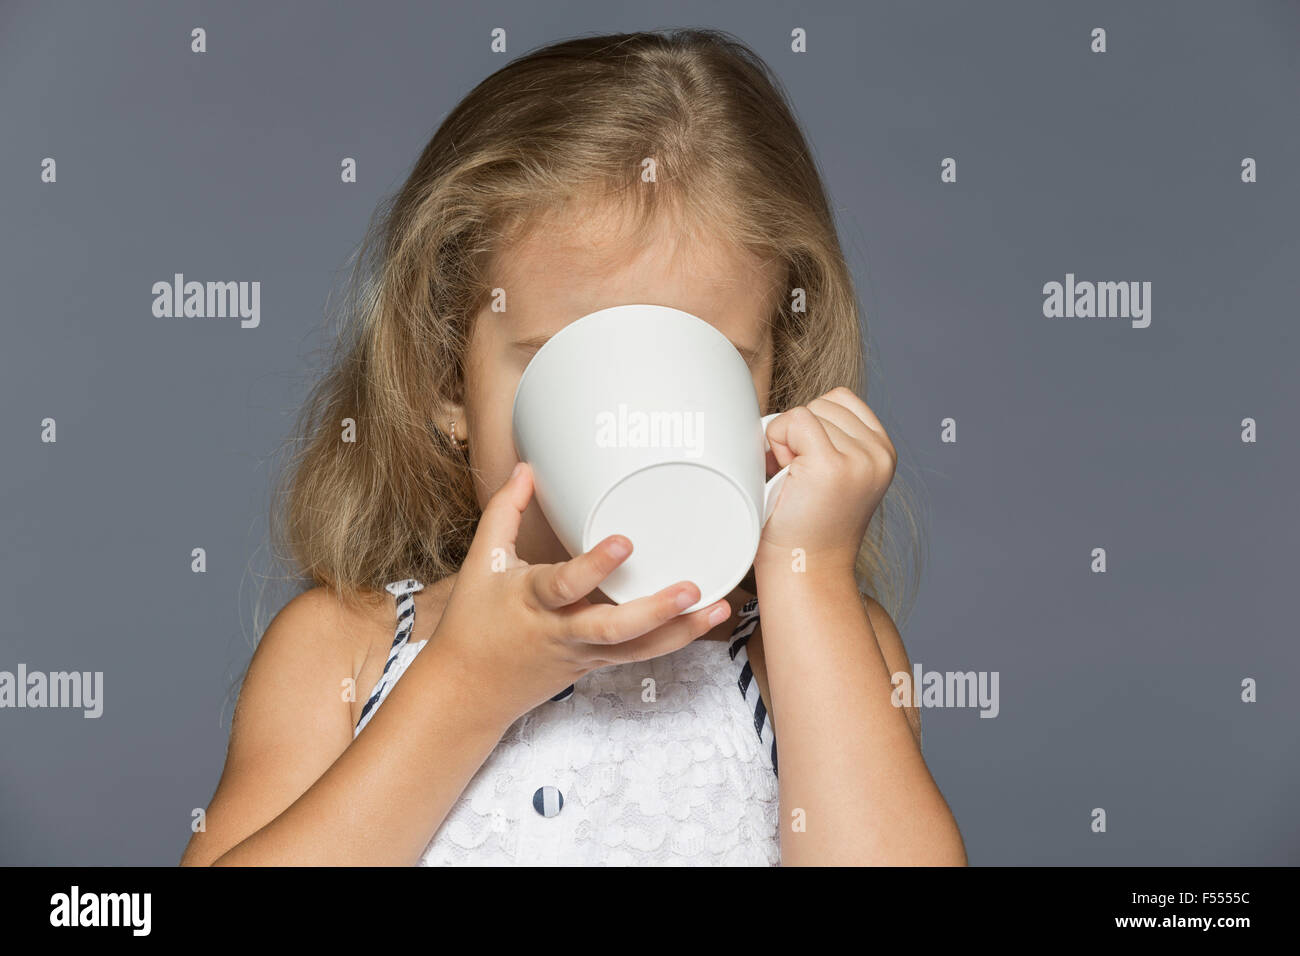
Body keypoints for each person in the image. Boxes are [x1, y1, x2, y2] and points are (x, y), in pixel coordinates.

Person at [180, 28, 966, 866]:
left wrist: (809, 581)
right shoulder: (344, 647)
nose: (633, 422)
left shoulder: (811, 644)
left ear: (772, 393)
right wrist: (465, 689)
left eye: (706, 363)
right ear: (449, 383)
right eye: (565, 359)